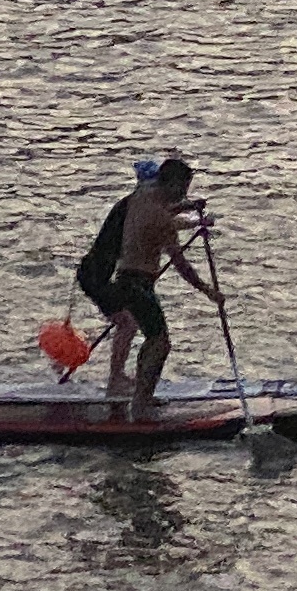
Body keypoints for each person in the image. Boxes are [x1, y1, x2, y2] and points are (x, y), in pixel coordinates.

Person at [75, 151, 221, 408]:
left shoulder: (140, 198)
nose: (185, 193)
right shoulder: (159, 217)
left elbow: (164, 210)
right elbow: (180, 263)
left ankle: (132, 390)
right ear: (171, 184)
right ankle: (139, 401)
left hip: (127, 281)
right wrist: (209, 291)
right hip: (133, 284)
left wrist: (191, 208)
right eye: (184, 188)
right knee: (157, 340)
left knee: (147, 334)